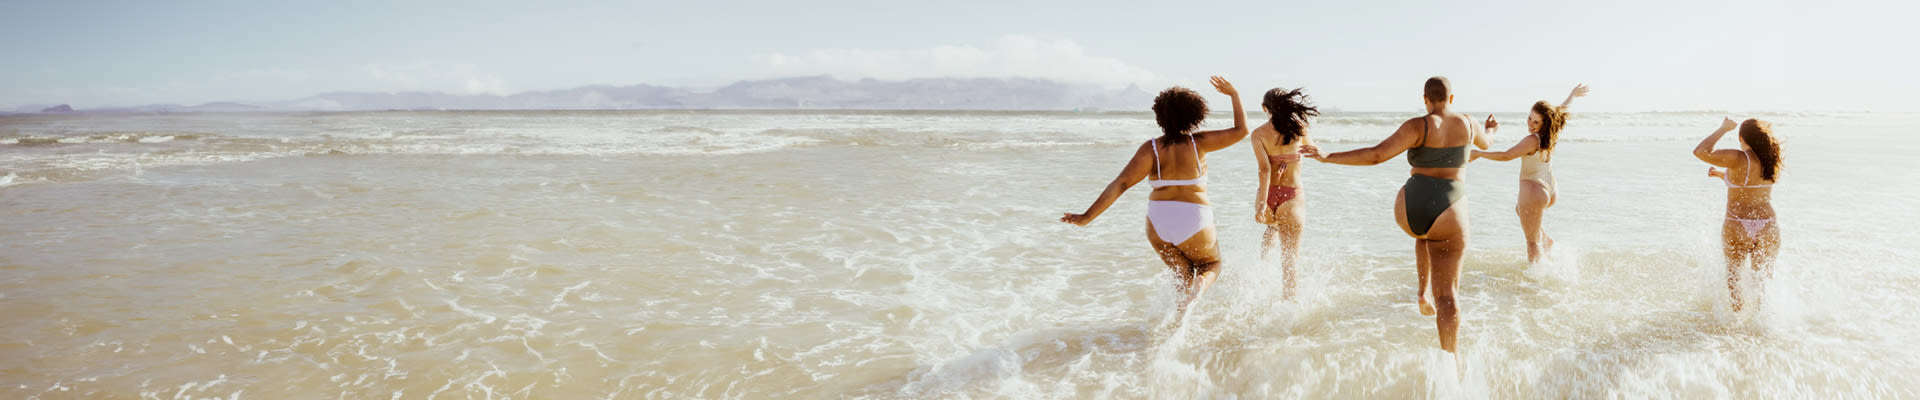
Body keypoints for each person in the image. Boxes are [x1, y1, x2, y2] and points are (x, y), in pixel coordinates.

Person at [1300, 76, 1488, 353]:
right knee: (1448, 295)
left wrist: (1327, 156)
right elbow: (1486, 142)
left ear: (1425, 99)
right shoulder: (1469, 123)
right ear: (1451, 98)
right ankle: (1451, 360)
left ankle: (1422, 291)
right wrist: (1492, 128)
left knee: (1423, 235)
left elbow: (1376, 155)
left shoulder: (1418, 125)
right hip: (1450, 208)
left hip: (1410, 209)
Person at [1062, 76, 1249, 314]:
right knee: (1210, 265)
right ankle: (1199, 289)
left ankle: (1178, 318)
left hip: (1158, 223)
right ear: (1195, 115)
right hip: (1194, 217)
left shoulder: (1150, 149)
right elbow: (1241, 130)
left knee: (1182, 274)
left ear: (1160, 116)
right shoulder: (1198, 143)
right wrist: (1234, 94)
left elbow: (1121, 184)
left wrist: (1087, 217)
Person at [1470, 84, 1589, 264]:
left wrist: (1479, 154)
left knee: (1531, 243)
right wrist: (1572, 95)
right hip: (1549, 188)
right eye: (1529, 119)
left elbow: (1507, 155)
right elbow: (1560, 110)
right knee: (1520, 211)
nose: (1531, 124)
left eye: (1536, 122)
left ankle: (1536, 281)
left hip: (1534, 189)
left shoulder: (1532, 139)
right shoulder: (1552, 132)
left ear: (1544, 122)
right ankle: (1548, 244)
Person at [1693, 117, 1783, 312]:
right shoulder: (1770, 160)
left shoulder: (1738, 158)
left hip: (1737, 223)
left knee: (1734, 277)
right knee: (1763, 280)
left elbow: (1700, 151)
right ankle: (1763, 324)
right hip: (1768, 224)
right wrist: (1720, 175)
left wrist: (1723, 128)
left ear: (1741, 137)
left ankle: (1735, 325)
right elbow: (1749, 184)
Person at [1250, 87, 1319, 301]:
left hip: (1267, 195)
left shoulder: (1258, 134)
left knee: (1272, 227)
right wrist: (1293, 156)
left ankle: (1261, 277)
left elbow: (1263, 170)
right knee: (1290, 259)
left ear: (1264, 108)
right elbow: (1314, 151)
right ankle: (1288, 305)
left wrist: (1262, 204)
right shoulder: (1299, 128)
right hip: (1292, 197)